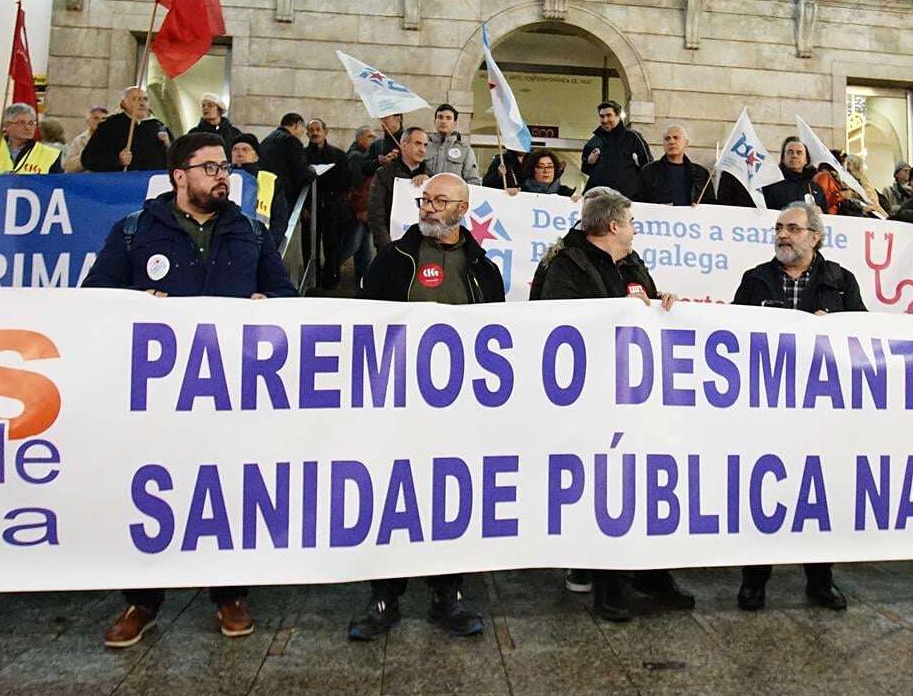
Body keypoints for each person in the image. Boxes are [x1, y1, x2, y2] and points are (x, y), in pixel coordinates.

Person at [85, 132, 295, 647]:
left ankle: (229, 593)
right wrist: (137, 304)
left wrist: (270, 301)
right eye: (209, 168)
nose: (222, 176)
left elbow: (287, 294)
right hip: (158, 393)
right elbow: (94, 299)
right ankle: (142, 600)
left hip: (230, 387)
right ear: (179, 175)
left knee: (228, 491)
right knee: (151, 489)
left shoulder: (250, 231)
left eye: (225, 167)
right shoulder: (136, 231)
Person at [348, 173, 502, 641]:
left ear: (463, 208)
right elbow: (362, 322)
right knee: (392, 495)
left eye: (440, 201)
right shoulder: (393, 259)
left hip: (459, 409)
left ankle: (447, 593)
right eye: (425, 199)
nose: (429, 207)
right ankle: (384, 595)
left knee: (449, 498)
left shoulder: (483, 267)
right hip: (397, 403)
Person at [530, 188, 693, 621]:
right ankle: (608, 581)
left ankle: (650, 572)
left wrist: (663, 308)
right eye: (632, 221)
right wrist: (616, 311)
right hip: (590, 395)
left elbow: (645, 310)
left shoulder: (634, 264)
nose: (636, 228)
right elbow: (556, 322)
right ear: (614, 226)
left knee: (641, 479)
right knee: (603, 487)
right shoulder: (566, 265)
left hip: (636, 392)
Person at [730, 201, 861, 611]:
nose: (783, 235)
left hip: (821, 409)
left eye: (792, 228)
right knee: (761, 492)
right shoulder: (755, 280)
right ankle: (755, 579)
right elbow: (731, 335)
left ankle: (820, 580)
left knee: (818, 495)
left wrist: (835, 329)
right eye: (779, 228)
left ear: (815, 236)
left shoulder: (841, 281)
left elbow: (863, 338)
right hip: (767, 406)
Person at [367, 126, 429, 253]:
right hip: (393, 246)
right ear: (404, 145)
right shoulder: (384, 174)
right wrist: (386, 246)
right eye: (417, 143)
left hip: (424, 248)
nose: (422, 149)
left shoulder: (431, 176)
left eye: (425, 145)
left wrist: (429, 182)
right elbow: (376, 214)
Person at [258, 113, 316, 247]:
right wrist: (313, 172)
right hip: (284, 197)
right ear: (296, 125)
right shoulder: (291, 141)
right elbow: (302, 174)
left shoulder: (268, 139)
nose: (303, 133)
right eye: (303, 129)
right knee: (278, 237)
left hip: (265, 196)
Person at [81, 86, 170, 172]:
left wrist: (168, 145)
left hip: (153, 183)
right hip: (120, 182)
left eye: (145, 99)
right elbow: (88, 159)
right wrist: (117, 159)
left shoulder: (159, 126)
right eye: (136, 99)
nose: (142, 103)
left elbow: (175, 160)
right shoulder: (110, 126)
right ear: (123, 104)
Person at [306, 118, 351, 288]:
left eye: (318, 129)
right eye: (312, 130)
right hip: (310, 209)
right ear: (307, 133)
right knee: (310, 245)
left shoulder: (339, 155)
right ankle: (311, 281)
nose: (315, 133)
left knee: (332, 246)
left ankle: (331, 281)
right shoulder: (303, 155)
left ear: (326, 132)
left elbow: (346, 181)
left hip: (332, 208)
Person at [579, 101, 651, 196]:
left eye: (609, 115)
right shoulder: (594, 141)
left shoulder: (632, 137)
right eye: (602, 116)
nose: (605, 120)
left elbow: (648, 166)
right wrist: (589, 162)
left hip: (626, 198)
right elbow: (585, 169)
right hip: (597, 198)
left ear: (618, 116)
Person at [340, 125, 380, 288]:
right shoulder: (357, 156)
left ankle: (363, 284)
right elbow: (357, 185)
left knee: (363, 249)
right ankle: (326, 272)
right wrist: (361, 209)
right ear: (360, 138)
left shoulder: (363, 156)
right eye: (370, 136)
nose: (374, 140)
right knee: (352, 245)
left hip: (363, 209)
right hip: (357, 210)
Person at [0, 103, 63, 174]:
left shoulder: (50, 155)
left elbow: (57, 186)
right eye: (21, 123)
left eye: (31, 123)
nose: (28, 127)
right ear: (7, 125)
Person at [635, 124, 709, 206]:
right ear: (663, 144)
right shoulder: (648, 171)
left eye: (676, 138)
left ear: (686, 143)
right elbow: (638, 203)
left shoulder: (701, 173)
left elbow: (711, 205)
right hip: (659, 218)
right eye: (667, 139)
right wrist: (657, 208)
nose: (671, 142)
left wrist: (700, 208)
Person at [423, 103, 480, 181]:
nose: (443, 121)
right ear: (435, 121)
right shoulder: (423, 146)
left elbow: (473, 180)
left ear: (455, 124)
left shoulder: (465, 150)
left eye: (448, 118)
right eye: (440, 117)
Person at [761, 137, 816, 209]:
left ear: (806, 160)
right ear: (783, 158)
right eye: (790, 152)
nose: (794, 155)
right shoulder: (770, 184)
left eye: (799, 152)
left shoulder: (815, 188)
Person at [507, 149, 572, 197]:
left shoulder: (567, 193)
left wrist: (579, 202)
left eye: (550, 166)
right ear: (532, 170)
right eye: (540, 167)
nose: (546, 171)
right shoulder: (520, 192)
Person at [64, 105, 109, 172]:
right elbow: (68, 168)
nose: (100, 121)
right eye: (96, 118)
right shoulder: (79, 141)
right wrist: (86, 156)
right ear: (88, 121)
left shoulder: (112, 140)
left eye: (104, 119)